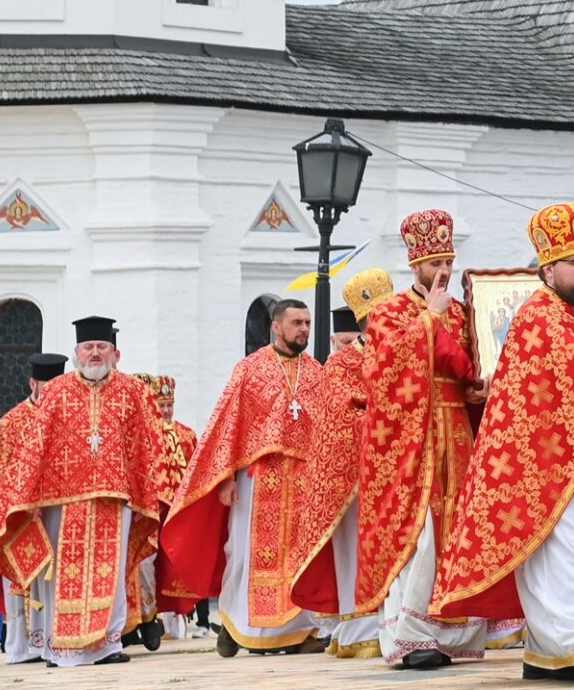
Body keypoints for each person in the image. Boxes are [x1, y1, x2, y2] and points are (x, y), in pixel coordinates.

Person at [432, 202, 574, 685]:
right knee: (566, 549)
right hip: (539, 460)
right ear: (549, 270)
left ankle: (552, 651)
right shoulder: (540, 314)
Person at [317, 210, 494, 670]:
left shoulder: (462, 312)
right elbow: (382, 371)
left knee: (456, 528)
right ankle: (412, 635)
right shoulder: (390, 312)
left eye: (448, 262)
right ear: (415, 265)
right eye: (435, 263)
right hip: (411, 439)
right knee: (420, 532)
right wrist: (429, 320)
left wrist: (478, 386)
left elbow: (469, 365)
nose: (443, 271)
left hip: (457, 431)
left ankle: (454, 632)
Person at [162, 297, 358, 657]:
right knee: (246, 554)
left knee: (300, 554)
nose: (304, 329)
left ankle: (300, 632)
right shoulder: (249, 370)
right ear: (276, 327)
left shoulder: (317, 372)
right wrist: (225, 478)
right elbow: (226, 426)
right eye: (297, 323)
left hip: (305, 480)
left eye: (307, 323)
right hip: (258, 479)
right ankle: (237, 624)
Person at [0, 316, 161, 667]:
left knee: (110, 573)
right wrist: (24, 497)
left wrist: (144, 492)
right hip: (61, 500)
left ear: (113, 352)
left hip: (115, 497)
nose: (95, 353)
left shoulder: (132, 391)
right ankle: (59, 647)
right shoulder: (57, 391)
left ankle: (108, 644)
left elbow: (145, 446)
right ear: (76, 353)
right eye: (89, 347)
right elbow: (35, 448)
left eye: (101, 347)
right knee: (61, 576)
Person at [315, 266, 394, 658]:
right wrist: (388, 420)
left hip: (398, 469)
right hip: (357, 477)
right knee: (357, 550)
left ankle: (398, 622)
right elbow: (340, 419)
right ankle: (360, 629)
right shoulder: (342, 364)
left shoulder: (401, 352)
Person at [0, 350, 65, 663]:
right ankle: (20, 647)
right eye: (46, 386)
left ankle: (51, 641)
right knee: (20, 583)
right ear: (33, 384)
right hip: (19, 515)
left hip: (55, 510)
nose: (51, 393)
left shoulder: (68, 419)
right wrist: (19, 504)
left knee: (53, 580)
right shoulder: (13, 421)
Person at [133, 372, 200, 646]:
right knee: (147, 561)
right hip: (151, 507)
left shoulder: (187, 434)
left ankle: (179, 622)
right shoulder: (145, 433)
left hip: (178, 510)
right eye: (161, 405)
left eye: (169, 404)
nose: (166, 410)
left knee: (177, 561)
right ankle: (149, 617)